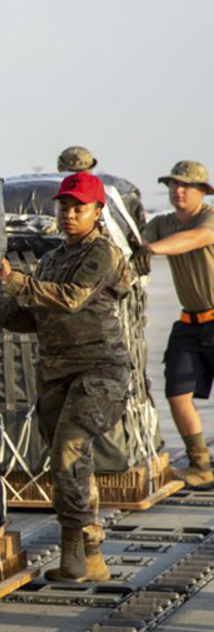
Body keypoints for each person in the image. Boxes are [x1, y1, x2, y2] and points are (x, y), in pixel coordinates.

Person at [0, 172, 131, 582]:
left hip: (100, 370)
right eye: (64, 206)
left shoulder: (102, 254)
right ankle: (91, 551)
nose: (69, 215)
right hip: (55, 372)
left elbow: (70, 299)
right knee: (68, 462)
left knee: (68, 451)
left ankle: (75, 550)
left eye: (79, 208)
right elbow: (32, 318)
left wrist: (15, 279)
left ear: (97, 212)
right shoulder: (52, 259)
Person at [135, 161, 214, 487]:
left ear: (201, 192)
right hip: (189, 322)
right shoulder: (162, 224)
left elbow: (195, 239)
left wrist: (150, 250)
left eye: (185, 186)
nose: (177, 191)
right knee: (177, 392)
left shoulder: (208, 218)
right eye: (172, 185)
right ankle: (200, 464)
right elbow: (135, 242)